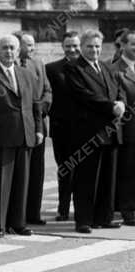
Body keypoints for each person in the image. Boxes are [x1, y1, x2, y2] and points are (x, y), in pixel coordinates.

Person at [0, 35, 43, 238]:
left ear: (18, 50)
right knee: (0, 183)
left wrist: (38, 129)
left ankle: (18, 223)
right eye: (4, 48)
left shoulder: (26, 74)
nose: (9, 52)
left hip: (25, 134)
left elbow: (35, 104)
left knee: (22, 183)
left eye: (13, 48)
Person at [63, 30, 123, 234]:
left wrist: (121, 103)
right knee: (87, 178)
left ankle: (104, 217)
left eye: (97, 46)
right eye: (90, 46)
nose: (94, 50)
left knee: (108, 177)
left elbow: (116, 88)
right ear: (82, 47)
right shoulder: (73, 68)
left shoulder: (105, 67)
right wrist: (111, 107)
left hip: (111, 130)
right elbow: (84, 96)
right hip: (88, 132)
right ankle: (84, 220)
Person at [17, 33, 52, 226]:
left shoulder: (38, 64)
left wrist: (42, 109)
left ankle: (34, 213)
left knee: (37, 172)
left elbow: (47, 90)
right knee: (22, 172)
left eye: (33, 45)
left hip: (38, 122)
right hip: (18, 125)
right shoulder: (12, 63)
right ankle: (18, 213)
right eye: (28, 45)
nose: (31, 48)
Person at [46, 31, 81, 221]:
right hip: (61, 129)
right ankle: (63, 209)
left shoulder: (88, 66)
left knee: (84, 171)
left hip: (85, 129)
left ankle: (83, 210)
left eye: (75, 45)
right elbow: (47, 96)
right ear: (63, 46)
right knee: (65, 169)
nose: (72, 49)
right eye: (68, 45)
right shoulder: (51, 69)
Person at [112, 30, 135, 225]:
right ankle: (128, 210)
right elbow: (120, 101)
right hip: (128, 130)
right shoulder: (115, 70)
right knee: (128, 171)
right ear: (124, 46)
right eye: (133, 44)